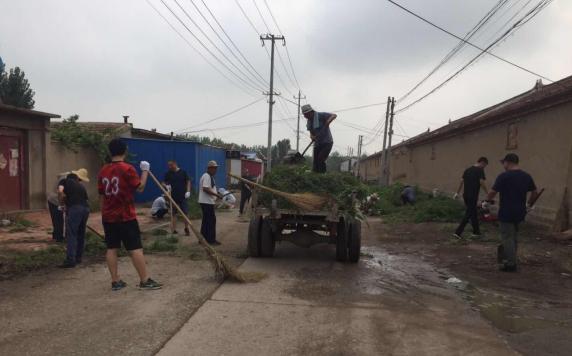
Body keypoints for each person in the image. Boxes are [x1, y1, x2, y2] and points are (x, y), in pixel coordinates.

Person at [98, 138, 161, 291]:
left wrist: (104, 214)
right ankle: (145, 280)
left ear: (110, 151)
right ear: (125, 151)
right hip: (125, 216)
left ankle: (115, 281)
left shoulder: (103, 170)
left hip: (108, 216)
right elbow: (140, 187)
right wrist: (145, 171)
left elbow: (101, 195)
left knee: (111, 248)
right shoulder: (127, 168)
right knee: (135, 248)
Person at [486, 153, 538, 272]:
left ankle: (511, 264)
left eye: (503, 162)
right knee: (513, 237)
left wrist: (486, 201)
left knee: (507, 238)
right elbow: (535, 193)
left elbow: (492, 192)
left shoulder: (504, 176)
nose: (503, 165)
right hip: (520, 212)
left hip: (506, 211)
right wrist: (529, 204)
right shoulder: (526, 176)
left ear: (508, 162)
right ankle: (512, 258)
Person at [58, 169, 90, 268]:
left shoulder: (64, 181)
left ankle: (70, 260)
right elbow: (85, 199)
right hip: (86, 209)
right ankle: (78, 258)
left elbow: (61, 193)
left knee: (71, 234)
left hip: (75, 209)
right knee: (81, 234)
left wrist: (62, 204)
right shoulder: (81, 186)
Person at [453, 157, 489, 239]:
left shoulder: (467, 170)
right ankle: (458, 232)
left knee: (473, 213)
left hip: (465, 195)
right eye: (484, 166)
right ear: (482, 163)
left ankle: (476, 232)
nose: (484, 167)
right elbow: (481, 182)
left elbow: (461, 181)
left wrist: (457, 193)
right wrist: (488, 193)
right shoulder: (480, 170)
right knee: (469, 213)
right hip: (473, 196)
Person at [302, 104, 337, 173]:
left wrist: (328, 121)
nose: (305, 116)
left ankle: (323, 175)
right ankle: (315, 176)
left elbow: (334, 115)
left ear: (310, 112)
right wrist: (312, 137)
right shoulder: (309, 122)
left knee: (320, 159)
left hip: (327, 142)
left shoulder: (320, 115)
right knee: (315, 163)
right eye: (304, 115)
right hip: (318, 144)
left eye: (306, 114)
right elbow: (311, 133)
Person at [163, 160, 191, 236]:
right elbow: (164, 182)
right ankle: (174, 230)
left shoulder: (183, 172)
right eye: (169, 166)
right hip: (173, 197)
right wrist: (166, 186)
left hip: (183, 196)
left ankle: (186, 228)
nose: (170, 167)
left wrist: (188, 191)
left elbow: (188, 181)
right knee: (174, 213)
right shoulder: (168, 173)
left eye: (171, 165)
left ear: (175, 164)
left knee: (185, 212)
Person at [199, 160, 223, 245]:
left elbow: (210, 188)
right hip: (206, 202)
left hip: (207, 202)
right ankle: (211, 240)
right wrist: (216, 195)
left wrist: (217, 193)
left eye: (216, 168)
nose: (216, 170)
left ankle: (202, 239)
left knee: (206, 221)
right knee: (211, 221)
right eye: (214, 168)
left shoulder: (210, 177)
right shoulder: (207, 176)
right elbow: (205, 188)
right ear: (210, 168)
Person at [47, 172, 68, 242]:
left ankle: (57, 236)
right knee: (58, 219)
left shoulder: (65, 178)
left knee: (58, 220)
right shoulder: (65, 180)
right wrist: (62, 205)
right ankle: (58, 238)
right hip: (55, 201)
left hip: (55, 200)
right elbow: (61, 193)